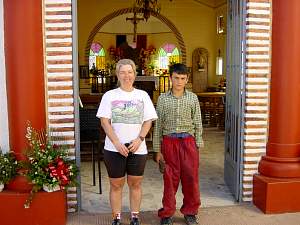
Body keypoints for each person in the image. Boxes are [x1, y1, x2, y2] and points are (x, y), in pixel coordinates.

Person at [96, 59, 157, 225]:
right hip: (114, 148)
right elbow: (104, 121)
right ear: (117, 74)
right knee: (116, 184)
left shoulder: (142, 96)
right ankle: (116, 217)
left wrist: (140, 139)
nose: (126, 75)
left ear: (135, 74)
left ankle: (134, 216)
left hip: (137, 148)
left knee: (135, 183)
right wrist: (116, 142)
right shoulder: (109, 96)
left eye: (130, 72)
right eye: (122, 72)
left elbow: (148, 121)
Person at [153, 63, 204, 225]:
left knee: (191, 178)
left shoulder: (192, 98)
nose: (179, 82)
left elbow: (197, 122)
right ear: (170, 78)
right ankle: (167, 213)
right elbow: (158, 125)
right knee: (170, 179)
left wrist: (197, 144)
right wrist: (157, 150)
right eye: (176, 78)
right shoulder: (162, 99)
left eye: (183, 78)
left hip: (188, 142)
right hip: (169, 142)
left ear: (187, 79)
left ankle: (190, 211)